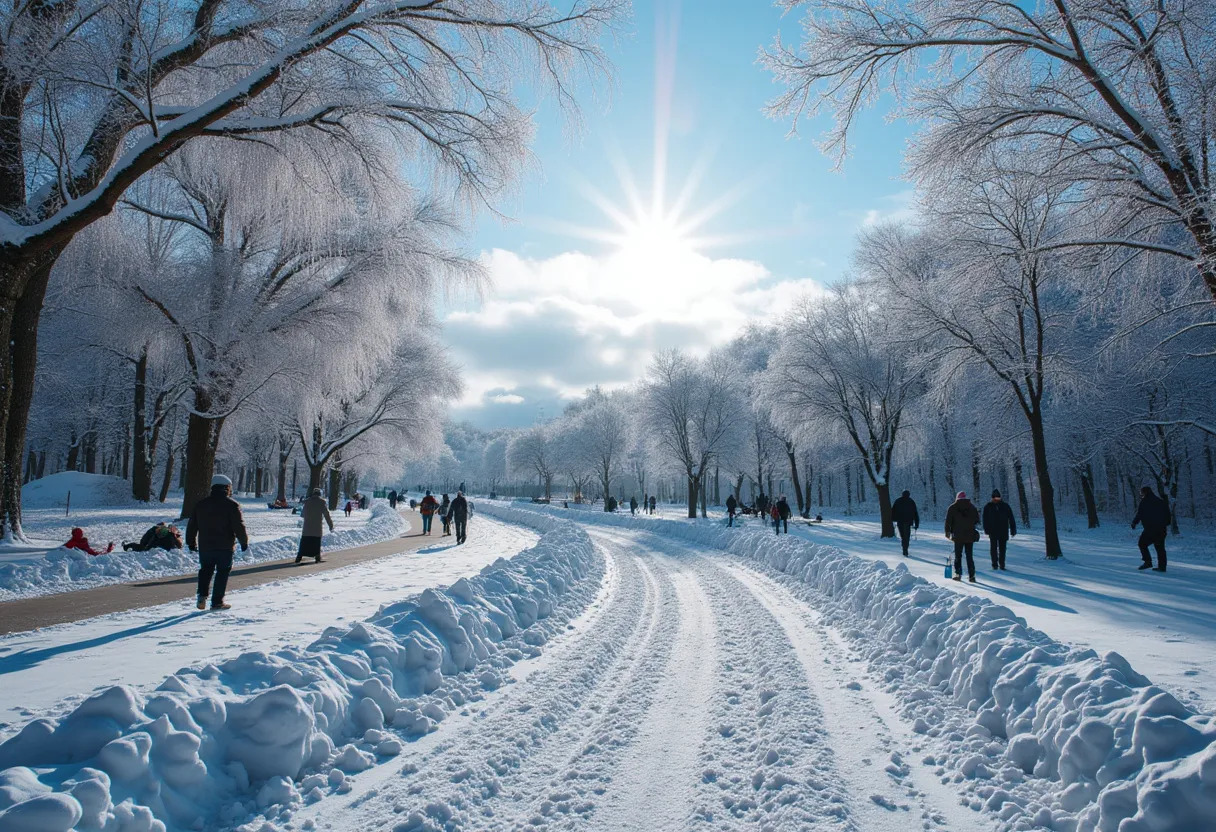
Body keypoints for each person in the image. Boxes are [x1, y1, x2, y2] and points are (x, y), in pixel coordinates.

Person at [186, 474, 249, 611]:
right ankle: (217, 602)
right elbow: (239, 525)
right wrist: (244, 542)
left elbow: (192, 525)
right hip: (225, 546)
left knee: (205, 570)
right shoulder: (232, 505)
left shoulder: (201, 504)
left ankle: (202, 596)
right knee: (222, 572)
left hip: (205, 546)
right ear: (226, 488)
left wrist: (190, 542)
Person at [944, 491, 980, 583]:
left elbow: (948, 521)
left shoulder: (952, 507)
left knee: (958, 555)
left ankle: (958, 574)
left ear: (957, 498)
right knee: (969, 556)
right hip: (969, 535)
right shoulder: (972, 507)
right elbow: (977, 520)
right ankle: (972, 576)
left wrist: (948, 532)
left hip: (958, 536)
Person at [1131, 486, 1170, 572]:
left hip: (1150, 529)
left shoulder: (1144, 502)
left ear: (1145, 493)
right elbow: (1168, 515)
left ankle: (1147, 561)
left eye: (1141, 493)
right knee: (1160, 548)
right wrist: (1165, 524)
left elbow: (1140, 514)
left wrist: (1134, 523)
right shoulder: (1161, 502)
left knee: (1142, 544)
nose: (1141, 495)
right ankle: (1162, 567)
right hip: (1161, 529)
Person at [296, 487, 334, 564]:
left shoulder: (307, 502)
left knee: (304, 543)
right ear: (320, 494)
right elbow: (327, 515)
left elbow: (302, 514)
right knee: (316, 543)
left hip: (307, 528)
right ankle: (317, 556)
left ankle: (299, 557)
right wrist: (331, 525)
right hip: (317, 528)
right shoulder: (322, 502)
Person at [982, 489, 1017, 571]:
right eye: (995, 498)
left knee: (1002, 549)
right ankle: (994, 564)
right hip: (993, 530)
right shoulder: (988, 506)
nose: (997, 499)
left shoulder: (1005, 506)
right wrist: (986, 529)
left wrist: (1013, 529)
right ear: (992, 498)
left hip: (1003, 530)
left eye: (998, 498)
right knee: (993, 548)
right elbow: (985, 519)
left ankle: (1002, 564)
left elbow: (1011, 518)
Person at [891, 490, 920, 557]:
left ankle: (904, 549)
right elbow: (915, 513)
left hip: (900, 522)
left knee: (903, 536)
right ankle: (905, 549)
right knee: (906, 536)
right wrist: (916, 523)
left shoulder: (898, 501)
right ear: (909, 494)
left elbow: (893, 511)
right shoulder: (911, 501)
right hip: (908, 522)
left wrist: (893, 519)